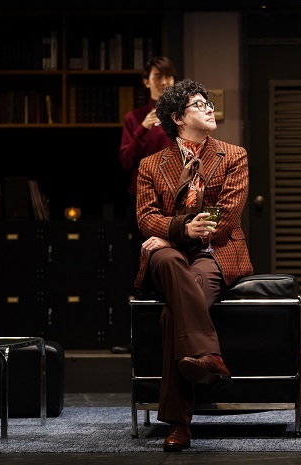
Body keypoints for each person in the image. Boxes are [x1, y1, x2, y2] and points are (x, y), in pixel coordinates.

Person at [133, 78, 254, 452]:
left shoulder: (233, 156)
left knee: (174, 313)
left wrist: (176, 233)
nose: (209, 109)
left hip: (214, 252)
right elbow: (145, 216)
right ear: (177, 118)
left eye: (209, 103)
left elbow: (227, 216)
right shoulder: (151, 164)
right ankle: (210, 355)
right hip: (169, 255)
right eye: (199, 105)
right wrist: (180, 230)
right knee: (167, 259)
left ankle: (179, 423)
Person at [112, 56, 178, 354]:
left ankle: (170, 335)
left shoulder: (180, 114)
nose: (164, 82)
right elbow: (126, 161)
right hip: (142, 201)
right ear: (146, 81)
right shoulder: (135, 117)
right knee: (140, 266)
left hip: (176, 202)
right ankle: (139, 339)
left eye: (169, 76)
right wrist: (143, 127)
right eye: (158, 76)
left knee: (173, 264)